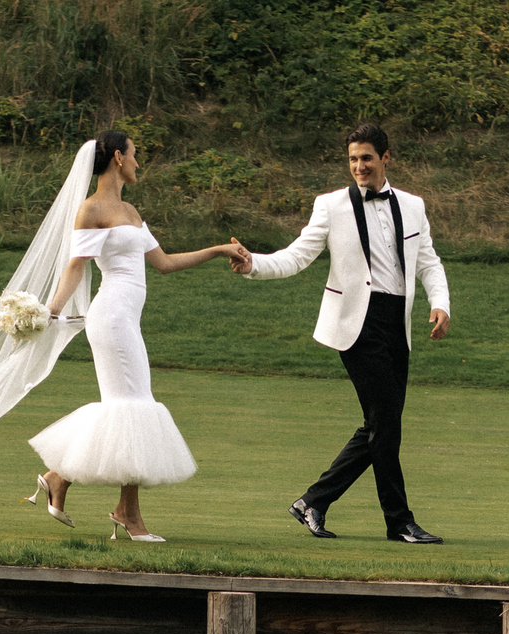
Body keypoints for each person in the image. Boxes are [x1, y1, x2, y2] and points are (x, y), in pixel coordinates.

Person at [230, 124, 453, 545]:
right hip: (356, 325)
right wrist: (253, 264)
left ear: (386, 158)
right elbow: (297, 257)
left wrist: (439, 303)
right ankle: (399, 521)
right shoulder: (331, 206)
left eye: (366, 158)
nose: (359, 166)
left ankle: (313, 501)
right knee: (385, 423)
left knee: (381, 424)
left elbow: (429, 262)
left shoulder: (413, 206)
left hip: (396, 325)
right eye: (352, 159)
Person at [29, 131, 248, 544]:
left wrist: (220, 250)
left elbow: (163, 263)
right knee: (133, 407)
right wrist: (51, 310)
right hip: (110, 317)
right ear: (117, 157)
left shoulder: (129, 209)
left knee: (129, 407)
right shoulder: (92, 209)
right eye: (134, 155)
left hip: (127, 318)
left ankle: (61, 479)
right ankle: (124, 513)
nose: (137, 162)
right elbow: (76, 266)